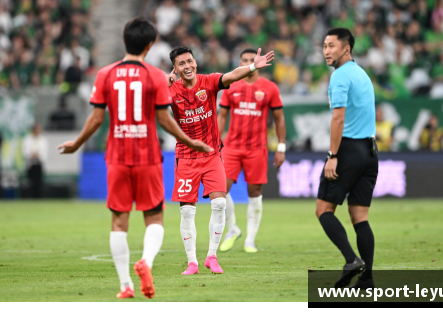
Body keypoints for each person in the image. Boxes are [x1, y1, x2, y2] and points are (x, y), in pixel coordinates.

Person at [58, 18, 212, 299]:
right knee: (154, 217)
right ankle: (147, 263)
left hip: (117, 156)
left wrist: (77, 143)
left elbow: (96, 117)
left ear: (123, 42)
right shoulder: (154, 75)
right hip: (148, 157)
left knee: (119, 221)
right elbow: (164, 118)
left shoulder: (105, 74)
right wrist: (191, 141)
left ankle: (125, 285)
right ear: (150, 45)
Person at [167, 45, 274, 275]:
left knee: (219, 203)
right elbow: (149, 100)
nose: (187, 66)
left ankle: (211, 257)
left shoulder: (209, 82)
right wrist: (162, 84)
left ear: (195, 62)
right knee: (187, 212)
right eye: (181, 64)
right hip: (185, 157)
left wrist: (253, 65)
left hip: (212, 155)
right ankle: (192, 262)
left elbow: (233, 75)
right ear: (175, 68)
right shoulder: (170, 91)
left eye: (190, 61)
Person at [317, 28, 378, 289]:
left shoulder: (340, 77)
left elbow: (338, 117)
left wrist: (333, 156)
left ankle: (351, 260)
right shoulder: (361, 73)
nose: (326, 51)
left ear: (346, 48)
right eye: (324, 46)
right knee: (359, 216)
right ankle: (367, 278)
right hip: (370, 151)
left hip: (349, 151)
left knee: (323, 210)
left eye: (332, 45)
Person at [216, 48, 286, 253]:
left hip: (257, 148)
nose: (248, 63)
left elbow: (280, 119)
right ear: (239, 63)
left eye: (251, 60)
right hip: (231, 147)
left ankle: (250, 240)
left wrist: (281, 147)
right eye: (244, 60)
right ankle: (233, 229)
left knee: (254, 192)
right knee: (221, 189)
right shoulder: (231, 85)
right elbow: (222, 116)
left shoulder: (269, 88)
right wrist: (216, 141)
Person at [22, 123, 48, 199]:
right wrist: (31, 155)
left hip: (39, 164)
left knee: (39, 182)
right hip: (30, 164)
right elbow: (25, 151)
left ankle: (39, 198)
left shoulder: (43, 140)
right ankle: (31, 198)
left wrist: (38, 155)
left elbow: (44, 152)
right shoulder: (27, 139)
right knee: (31, 182)